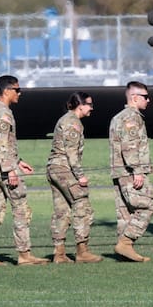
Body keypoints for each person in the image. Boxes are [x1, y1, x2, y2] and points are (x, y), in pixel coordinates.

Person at [0, 75, 49, 266]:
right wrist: (10, 170)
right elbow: (1, 144)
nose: (20, 93)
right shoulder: (3, 113)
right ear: (7, 91)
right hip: (4, 170)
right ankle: (24, 254)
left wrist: (19, 161)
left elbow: (1, 144)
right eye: (17, 89)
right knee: (21, 209)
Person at [46, 92, 103, 264]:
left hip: (54, 168)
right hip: (64, 169)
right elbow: (72, 154)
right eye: (90, 105)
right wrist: (81, 176)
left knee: (62, 211)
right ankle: (82, 250)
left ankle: (59, 253)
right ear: (80, 105)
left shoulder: (66, 119)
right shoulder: (73, 123)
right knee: (82, 204)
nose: (92, 108)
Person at [109, 81, 153, 262]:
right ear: (134, 98)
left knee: (125, 213)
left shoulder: (118, 117)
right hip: (129, 172)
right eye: (145, 97)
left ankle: (125, 252)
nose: (148, 100)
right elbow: (129, 146)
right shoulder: (132, 117)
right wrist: (137, 171)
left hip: (119, 172)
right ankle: (126, 243)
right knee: (146, 206)